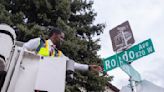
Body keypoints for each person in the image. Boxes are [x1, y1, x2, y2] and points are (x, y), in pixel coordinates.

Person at [23, 27, 102, 73]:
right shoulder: (39, 42)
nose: (62, 40)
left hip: (44, 81)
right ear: (54, 35)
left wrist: (88, 67)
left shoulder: (58, 54)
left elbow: (71, 64)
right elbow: (24, 48)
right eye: (61, 37)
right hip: (29, 75)